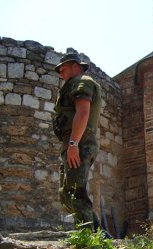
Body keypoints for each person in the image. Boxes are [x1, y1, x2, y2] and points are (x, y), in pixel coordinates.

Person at [52, 53, 102, 231]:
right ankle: (99, 235)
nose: (60, 73)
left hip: (80, 143)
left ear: (75, 66)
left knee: (75, 192)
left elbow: (83, 112)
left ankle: (88, 241)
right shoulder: (72, 84)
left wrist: (74, 144)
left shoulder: (83, 81)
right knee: (66, 194)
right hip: (71, 143)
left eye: (63, 69)